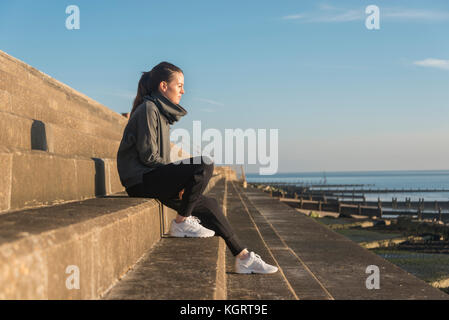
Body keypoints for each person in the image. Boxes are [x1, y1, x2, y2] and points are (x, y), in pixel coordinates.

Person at [116, 62, 278, 274]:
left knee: (210, 204)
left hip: (151, 178)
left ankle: (243, 257)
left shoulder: (159, 112)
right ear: (164, 86)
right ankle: (182, 221)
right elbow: (149, 157)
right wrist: (177, 181)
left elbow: (157, 160)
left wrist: (177, 182)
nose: (183, 91)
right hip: (141, 181)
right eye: (179, 85)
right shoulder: (149, 109)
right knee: (204, 163)